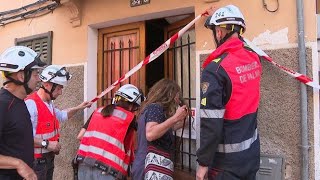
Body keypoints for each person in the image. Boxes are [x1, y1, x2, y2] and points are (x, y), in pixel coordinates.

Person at [196, 5, 262, 180]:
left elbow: (212, 123)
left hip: (226, 165)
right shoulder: (253, 58)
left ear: (218, 33)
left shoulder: (215, 70)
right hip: (251, 156)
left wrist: (203, 163)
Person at [24, 65, 91, 180]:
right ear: (47, 85)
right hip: (36, 162)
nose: (60, 92)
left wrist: (79, 107)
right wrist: (47, 144)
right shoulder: (31, 104)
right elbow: (23, 138)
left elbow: (62, 115)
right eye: (59, 88)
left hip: (47, 160)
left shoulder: (49, 103)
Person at [76, 84, 145, 180]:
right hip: (106, 170)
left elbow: (80, 136)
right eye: (135, 108)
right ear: (132, 105)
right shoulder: (129, 118)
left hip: (83, 165)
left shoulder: (98, 111)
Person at [0, 46, 46, 180]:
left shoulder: (20, 102)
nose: (38, 79)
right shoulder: (3, 104)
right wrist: (19, 164)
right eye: (36, 74)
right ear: (21, 76)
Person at [131, 78, 188, 180]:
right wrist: (175, 118)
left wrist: (183, 120)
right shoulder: (156, 108)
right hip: (149, 167)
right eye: (176, 94)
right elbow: (151, 133)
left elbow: (163, 129)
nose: (178, 98)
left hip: (143, 165)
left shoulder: (150, 108)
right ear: (169, 94)